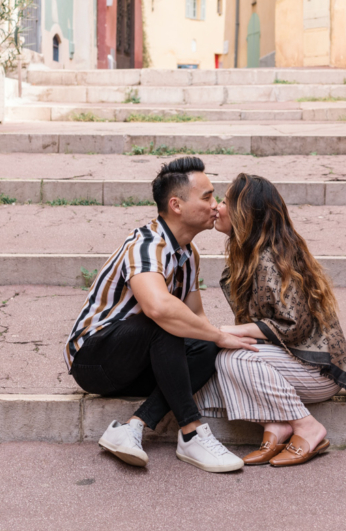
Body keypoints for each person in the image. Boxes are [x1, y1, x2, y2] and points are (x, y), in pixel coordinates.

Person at [65, 156, 258, 473]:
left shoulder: (188, 254)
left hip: (137, 362)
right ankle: (192, 431)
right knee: (167, 322)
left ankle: (134, 427)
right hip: (94, 359)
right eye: (207, 196)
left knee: (205, 344)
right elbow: (158, 308)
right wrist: (217, 333)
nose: (215, 205)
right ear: (177, 205)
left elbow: (197, 317)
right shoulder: (146, 245)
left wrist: (223, 340)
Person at [195, 172, 346, 467]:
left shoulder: (270, 258)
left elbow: (292, 325)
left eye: (224, 202)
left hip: (318, 369)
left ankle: (306, 426)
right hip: (292, 361)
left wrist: (224, 331)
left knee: (232, 359)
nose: (217, 208)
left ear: (244, 213)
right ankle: (277, 424)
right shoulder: (251, 254)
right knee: (223, 358)